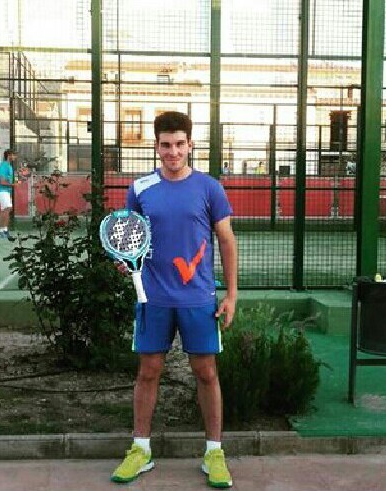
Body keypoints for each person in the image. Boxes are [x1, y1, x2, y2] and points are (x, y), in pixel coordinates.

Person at [111, 111, 237, 488]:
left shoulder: (209, 188)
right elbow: (129, 238)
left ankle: (214, 453)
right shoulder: (140, 188)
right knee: (148, 371)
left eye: (180, 144)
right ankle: (140, 450)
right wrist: (125, 261)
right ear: (156, 146)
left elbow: (226, 240)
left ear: (190, 145)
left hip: (199, 297)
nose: (173, 152)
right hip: (153, 298)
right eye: (166, 145)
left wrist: (231, 294)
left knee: (206, 372)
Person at [0, 149, 17, 240]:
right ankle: (0, 232)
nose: (15, 157)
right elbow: (2, 182)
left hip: (6, 191)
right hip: (1, 190)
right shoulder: (3, 166)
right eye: (13, 155)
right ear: (9, 155)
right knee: (6, 209)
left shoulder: (9, 166)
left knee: (7, 209)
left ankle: (4, 230)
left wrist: (15, 183)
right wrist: (14, 184)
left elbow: (9, 180)